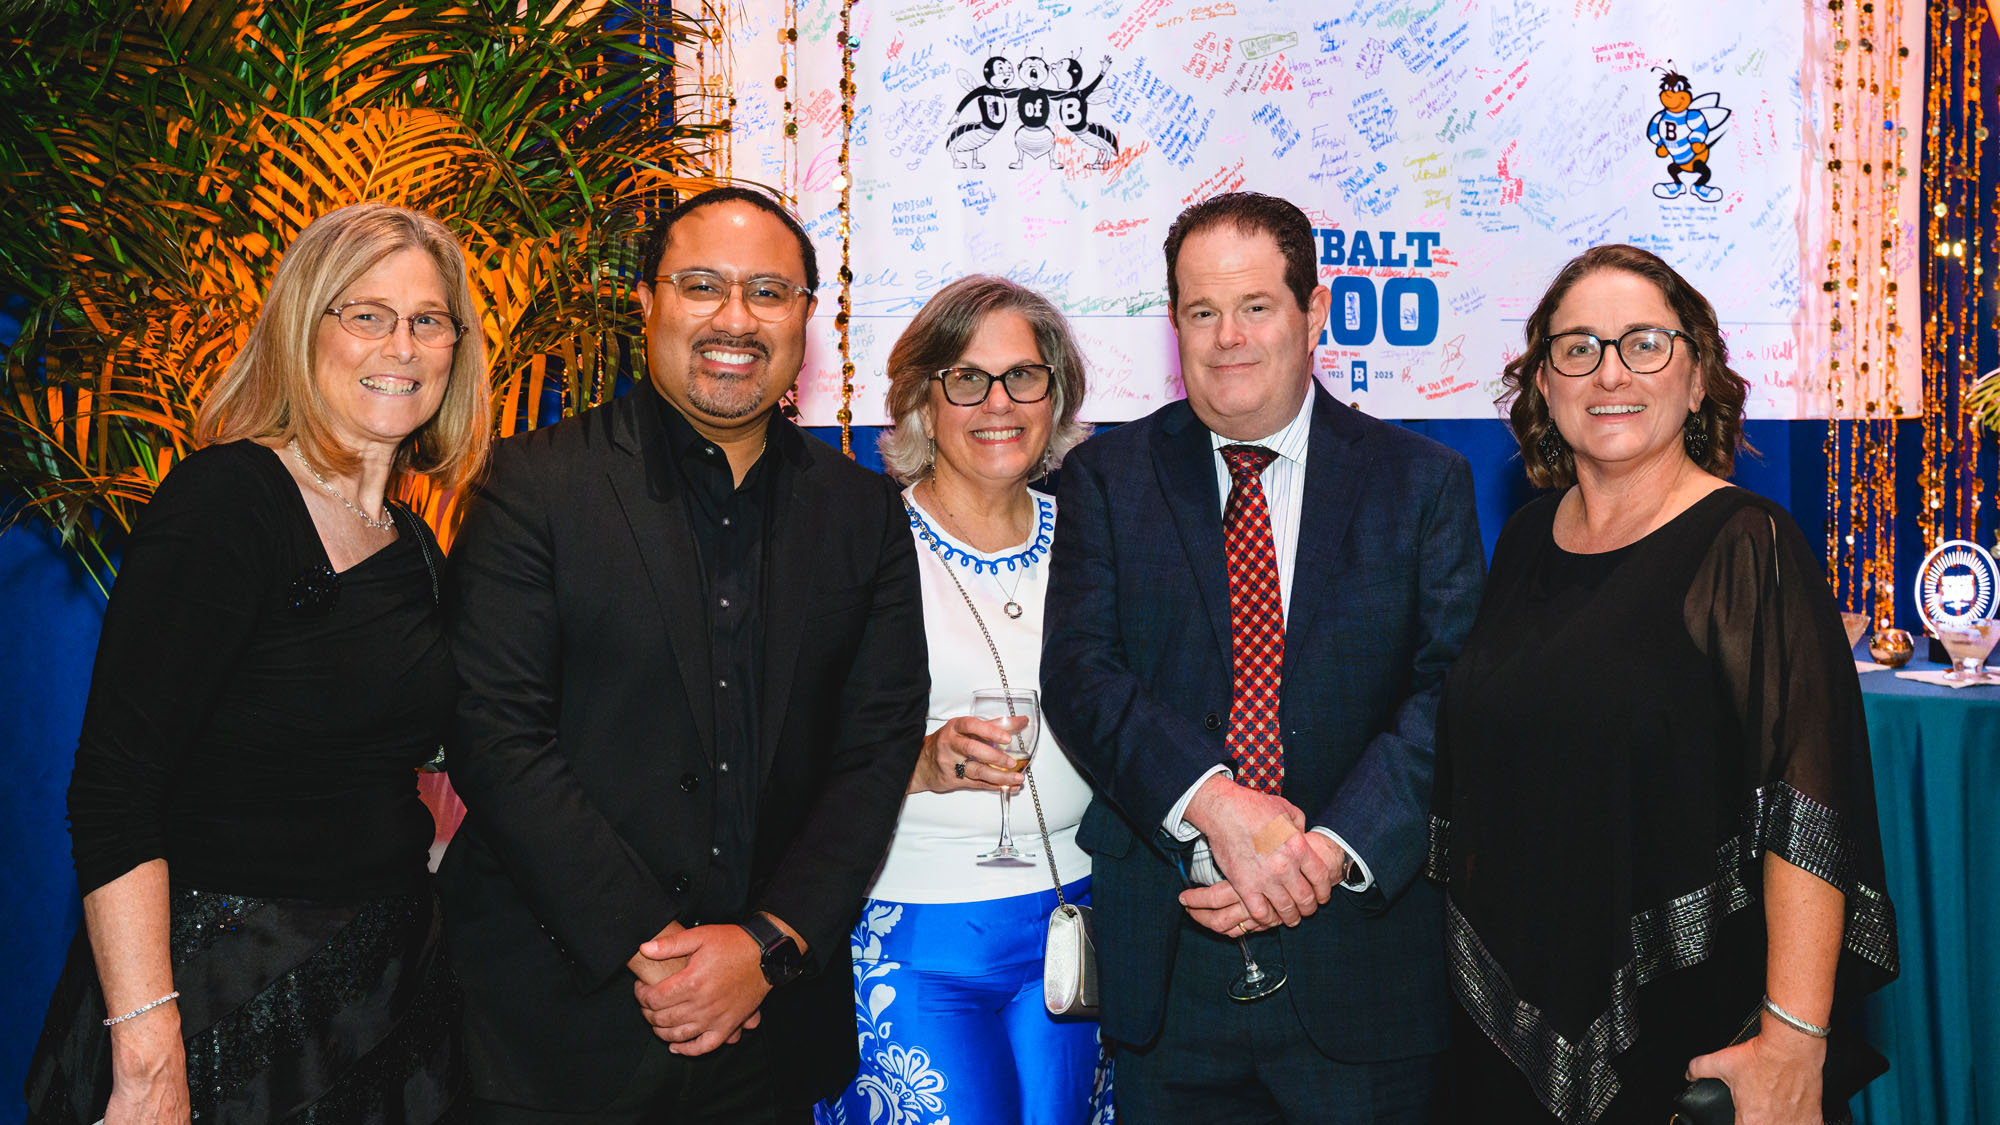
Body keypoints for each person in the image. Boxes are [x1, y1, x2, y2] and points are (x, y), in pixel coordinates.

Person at [440, 186, 930, 1123]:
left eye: (769, 293)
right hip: (551, 1031)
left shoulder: (860, 513)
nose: (734, 319)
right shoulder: (533, 485)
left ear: (805, 318)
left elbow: (873, 753)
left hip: (769, 1036)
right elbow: (494, 734)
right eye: (702, 285)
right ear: (648, 303)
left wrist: (765, 946)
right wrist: (655, 945)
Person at [25, 201, 490, 1124]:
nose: (400, 344)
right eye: (366, 314)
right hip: (218, 997)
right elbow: (113, 793)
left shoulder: (411, 543)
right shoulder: (226, 503)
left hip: (386, 1001)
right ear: (302, 327)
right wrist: (149, 1051)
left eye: (428, 320)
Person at [1041, 191, 1485, 1121]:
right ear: (1174, 326)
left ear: (1313, 312)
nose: (1227, 337)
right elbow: (1082, 675)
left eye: (1255, 307)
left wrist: (1319, 853)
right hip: (1171, 970)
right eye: (1202, 311)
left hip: (1361, 965)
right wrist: (1217, 806)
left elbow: (1452, 693)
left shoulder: (1422, 483)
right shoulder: (1104, 481)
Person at [1429, 243, 1899, 1121]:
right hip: (1503, 1032)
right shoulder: (1527, 541)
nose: (1610, 371)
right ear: (1543, 384)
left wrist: (1794, 1041)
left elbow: (1807, 814)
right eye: (1578, 347)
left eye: (1645, 343)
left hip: (1689, 1041)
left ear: (1696, 379)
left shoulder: (1748, 545)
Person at [815, 276, 1104, 1125]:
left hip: (1075, 925)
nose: (998, 403)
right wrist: (922, 762)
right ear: (920, 398)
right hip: (915, 933)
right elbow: (790, 748)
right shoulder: (861, 550)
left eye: (1024, 376)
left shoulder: (1098, 541)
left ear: (1056, 396)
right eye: (966, 378)